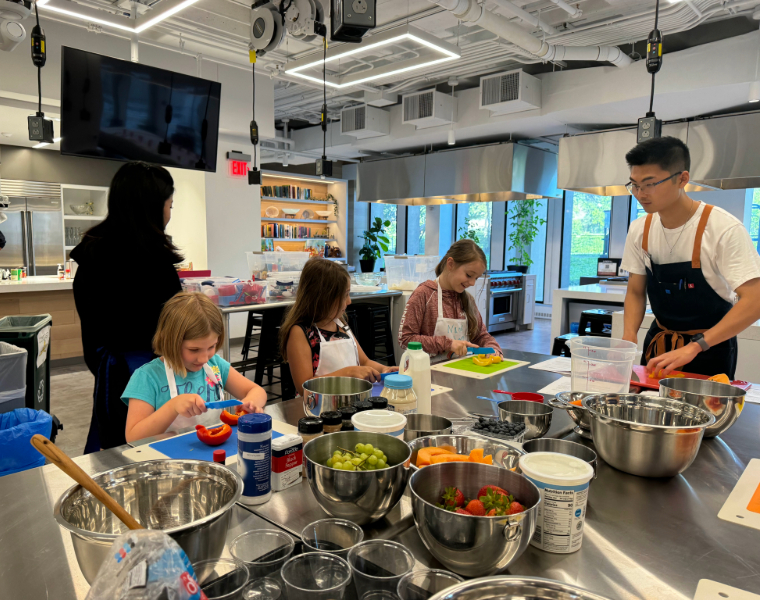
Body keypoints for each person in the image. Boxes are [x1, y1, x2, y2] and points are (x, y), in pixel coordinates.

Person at [621, 136, 760, 379]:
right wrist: (628, 337)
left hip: (710, 348)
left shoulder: (722, 229)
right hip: (659, 346)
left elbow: (755, 300)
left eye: (649, 183)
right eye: (634, 184)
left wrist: (695, 347)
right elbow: (635, 290)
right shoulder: (639, 229)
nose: (640, 193)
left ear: (682, 179)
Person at [72, 162, 183, 452]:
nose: (169, 214)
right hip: (158, 376)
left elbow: (91, 335)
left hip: (111, 377)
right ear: (152, 207)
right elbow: (176, 328)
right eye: (169, 205)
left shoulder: (91, 257)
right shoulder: (157, 265)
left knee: (115, 455)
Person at [123, 292, 267, 442]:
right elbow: (133, 437)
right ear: (170, 342)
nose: (204, 358)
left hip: (214, 453)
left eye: (212, 346)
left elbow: (257, 391)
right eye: (194, 350)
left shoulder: (215, 366)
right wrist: (172, 407)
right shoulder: (147, 377)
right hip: (170, 460)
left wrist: (251, 403)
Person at [281, 258, 397, 396]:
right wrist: (348, 373)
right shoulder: (300, 332)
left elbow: (365, 361)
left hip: (349, 402)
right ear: (324, 297)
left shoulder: (341, 324)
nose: (349, 301)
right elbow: (304, 387)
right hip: (319, 408)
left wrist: (384, 370)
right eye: (345, 295)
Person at [399, 239, 502, 362]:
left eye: (476, 278)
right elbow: (405, 339)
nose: (472, 283)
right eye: (469, 275)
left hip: (458, 372)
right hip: (426, 373)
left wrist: (493, 348)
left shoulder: (467, 300)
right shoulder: (424, 294)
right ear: (451, 264)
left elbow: (481, 335)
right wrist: (447, 344)